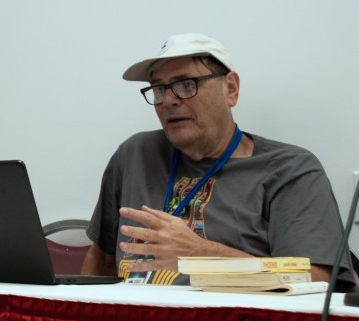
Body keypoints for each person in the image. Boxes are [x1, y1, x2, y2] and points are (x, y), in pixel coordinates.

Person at [81, 33, 353, 286]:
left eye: (186, 85)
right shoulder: (135, 154)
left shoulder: (290, 169)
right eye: (160, 88)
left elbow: (316, 280)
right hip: (135, 319)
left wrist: (201, 254)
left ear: (230, 89)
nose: (169, 101)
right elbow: (102, 258)